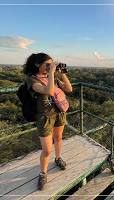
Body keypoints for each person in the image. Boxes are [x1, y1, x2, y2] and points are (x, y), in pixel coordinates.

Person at [23, 53, 73, 190]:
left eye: (51, 64)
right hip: (44, 117)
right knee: (46, 149)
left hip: (58, 113)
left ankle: (58, 158)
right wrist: (52, 73)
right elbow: (49, 91)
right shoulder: (32, 80)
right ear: (37, 64)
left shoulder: (52, 77)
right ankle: (43, 173)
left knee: (58, 138)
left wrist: (61, 73)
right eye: (47, 64)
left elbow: (69, 89)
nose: (50, 67)